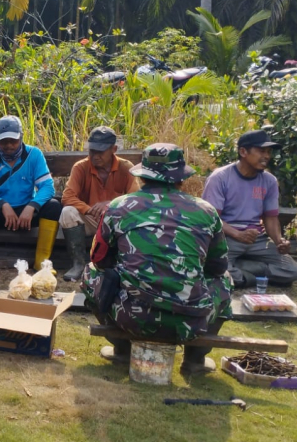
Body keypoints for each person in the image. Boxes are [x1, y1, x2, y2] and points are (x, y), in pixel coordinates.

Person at [83, 144, 233, 375]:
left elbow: (99, 260)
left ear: (142, 177)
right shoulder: (206, 211)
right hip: (190, 322)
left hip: (131, 317)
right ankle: (195, 360)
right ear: (181, 178)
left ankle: (122, 350)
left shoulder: (119, 206)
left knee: (90, 272)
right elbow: (218, 267)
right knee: (225, 280)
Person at [202, 130, 297, 287]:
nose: (267, 156)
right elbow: (211, 218)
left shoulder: (269, 181)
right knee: (213, 269)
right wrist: (237, 234)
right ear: (243, 152)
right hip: (226, 237)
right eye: (261, 151)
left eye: (269, 152)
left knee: (292, 271)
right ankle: (250, 274)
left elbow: (271, 218)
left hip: (257, 239)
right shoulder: (220, 177)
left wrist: (279, 241)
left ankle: (240, 270)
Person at [0, 115, 62, 270]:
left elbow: (47, 187)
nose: (9, 145)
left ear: (21, 137)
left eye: (13, 140)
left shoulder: (34, 154)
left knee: (53, 206)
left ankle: (42, 263)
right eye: (3, 141)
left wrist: (32, 206)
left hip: (26, 215)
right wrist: (2, 205)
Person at [59, 126, 139, 282]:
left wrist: (111, 204)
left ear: (113, 149)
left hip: (115, 221)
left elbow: (135, 199)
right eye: (92, 151)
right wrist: (89, 210)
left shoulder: (126, 167)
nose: (95, 156)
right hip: (92, 219)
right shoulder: (81, 167)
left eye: (100, 152)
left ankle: (121, 263)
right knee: (67, 212)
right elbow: (67, 196)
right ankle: (78, 263)